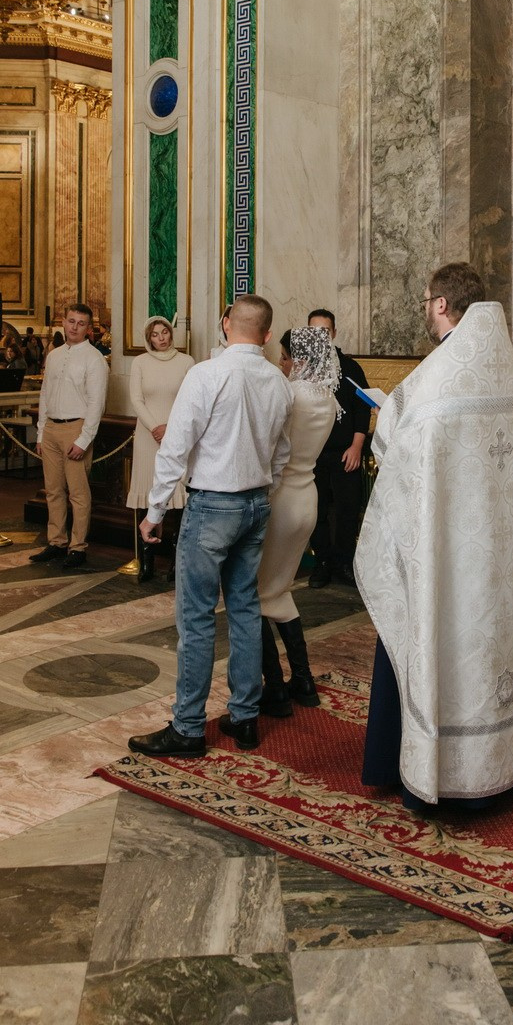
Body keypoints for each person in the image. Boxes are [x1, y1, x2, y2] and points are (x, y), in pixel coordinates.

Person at [356, 262, 513, 809]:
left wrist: (387, 416)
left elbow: (402, 437)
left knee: (429, 636)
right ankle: (500, 758)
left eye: (427, 300)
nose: (426, 309)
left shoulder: (441, 375)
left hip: (446, 550)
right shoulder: (501, 370)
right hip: (496, 548)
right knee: (492, 645)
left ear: (440, 305)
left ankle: (429, 768)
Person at [127, 294, 293, 758]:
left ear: (225, 326)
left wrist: (155, 511)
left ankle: (188, 728)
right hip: (256, 505)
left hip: (212, 506)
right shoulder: (279, 383)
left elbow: (175, 448)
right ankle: (244, 718)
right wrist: (261, 494)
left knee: (196, 618)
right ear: (265, 334)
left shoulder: (206, 374)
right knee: (244, 611)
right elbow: (281, 456)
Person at [257, 326, 340, 717]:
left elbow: (271, 449)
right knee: (279, 588)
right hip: (308, 496)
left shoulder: (291, 396)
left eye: (286, 357)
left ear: (301, 359)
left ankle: (274, 688)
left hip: (282, 498)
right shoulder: (328, 398)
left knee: (252, 595)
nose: (281, 363)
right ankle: (303, 681)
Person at [30, 303, 108, 570]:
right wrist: (41, 433)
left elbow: (96, 403)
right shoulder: (53, 355)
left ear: (89, 329)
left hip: (76, 427)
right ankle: (56, 541)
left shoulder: (94, 359)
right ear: (63, 323)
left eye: (80, 323)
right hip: (51, 427)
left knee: (78, 493)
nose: (74, 327)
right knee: (53, 490)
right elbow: (44, 394)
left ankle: (78, 546)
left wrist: (84, 439)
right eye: (71, 321)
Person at [126, 316, 195, 582]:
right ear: (148, 338)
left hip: (177, 435)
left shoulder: (186, 362)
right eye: (155, 334)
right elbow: (136, 399)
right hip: (147, 437)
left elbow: (189, 399)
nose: (161, 337)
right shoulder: (140, 362)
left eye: (165, 332)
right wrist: (155, 426)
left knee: (178, 499)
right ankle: (147, 563)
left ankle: (176, 564)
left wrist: (169, 428)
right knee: (147, 497)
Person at [307, 308, 371, 588]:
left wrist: (357, 446)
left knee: (347, 510)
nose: (320, 337)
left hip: (346, 452)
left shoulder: (350, 367)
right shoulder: (304, 370)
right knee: (315, 511)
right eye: (314, 332)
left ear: (333, 333)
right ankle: (322, 562)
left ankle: (344, 563)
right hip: (313, 455)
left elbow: (362, 407)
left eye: (324, 331)